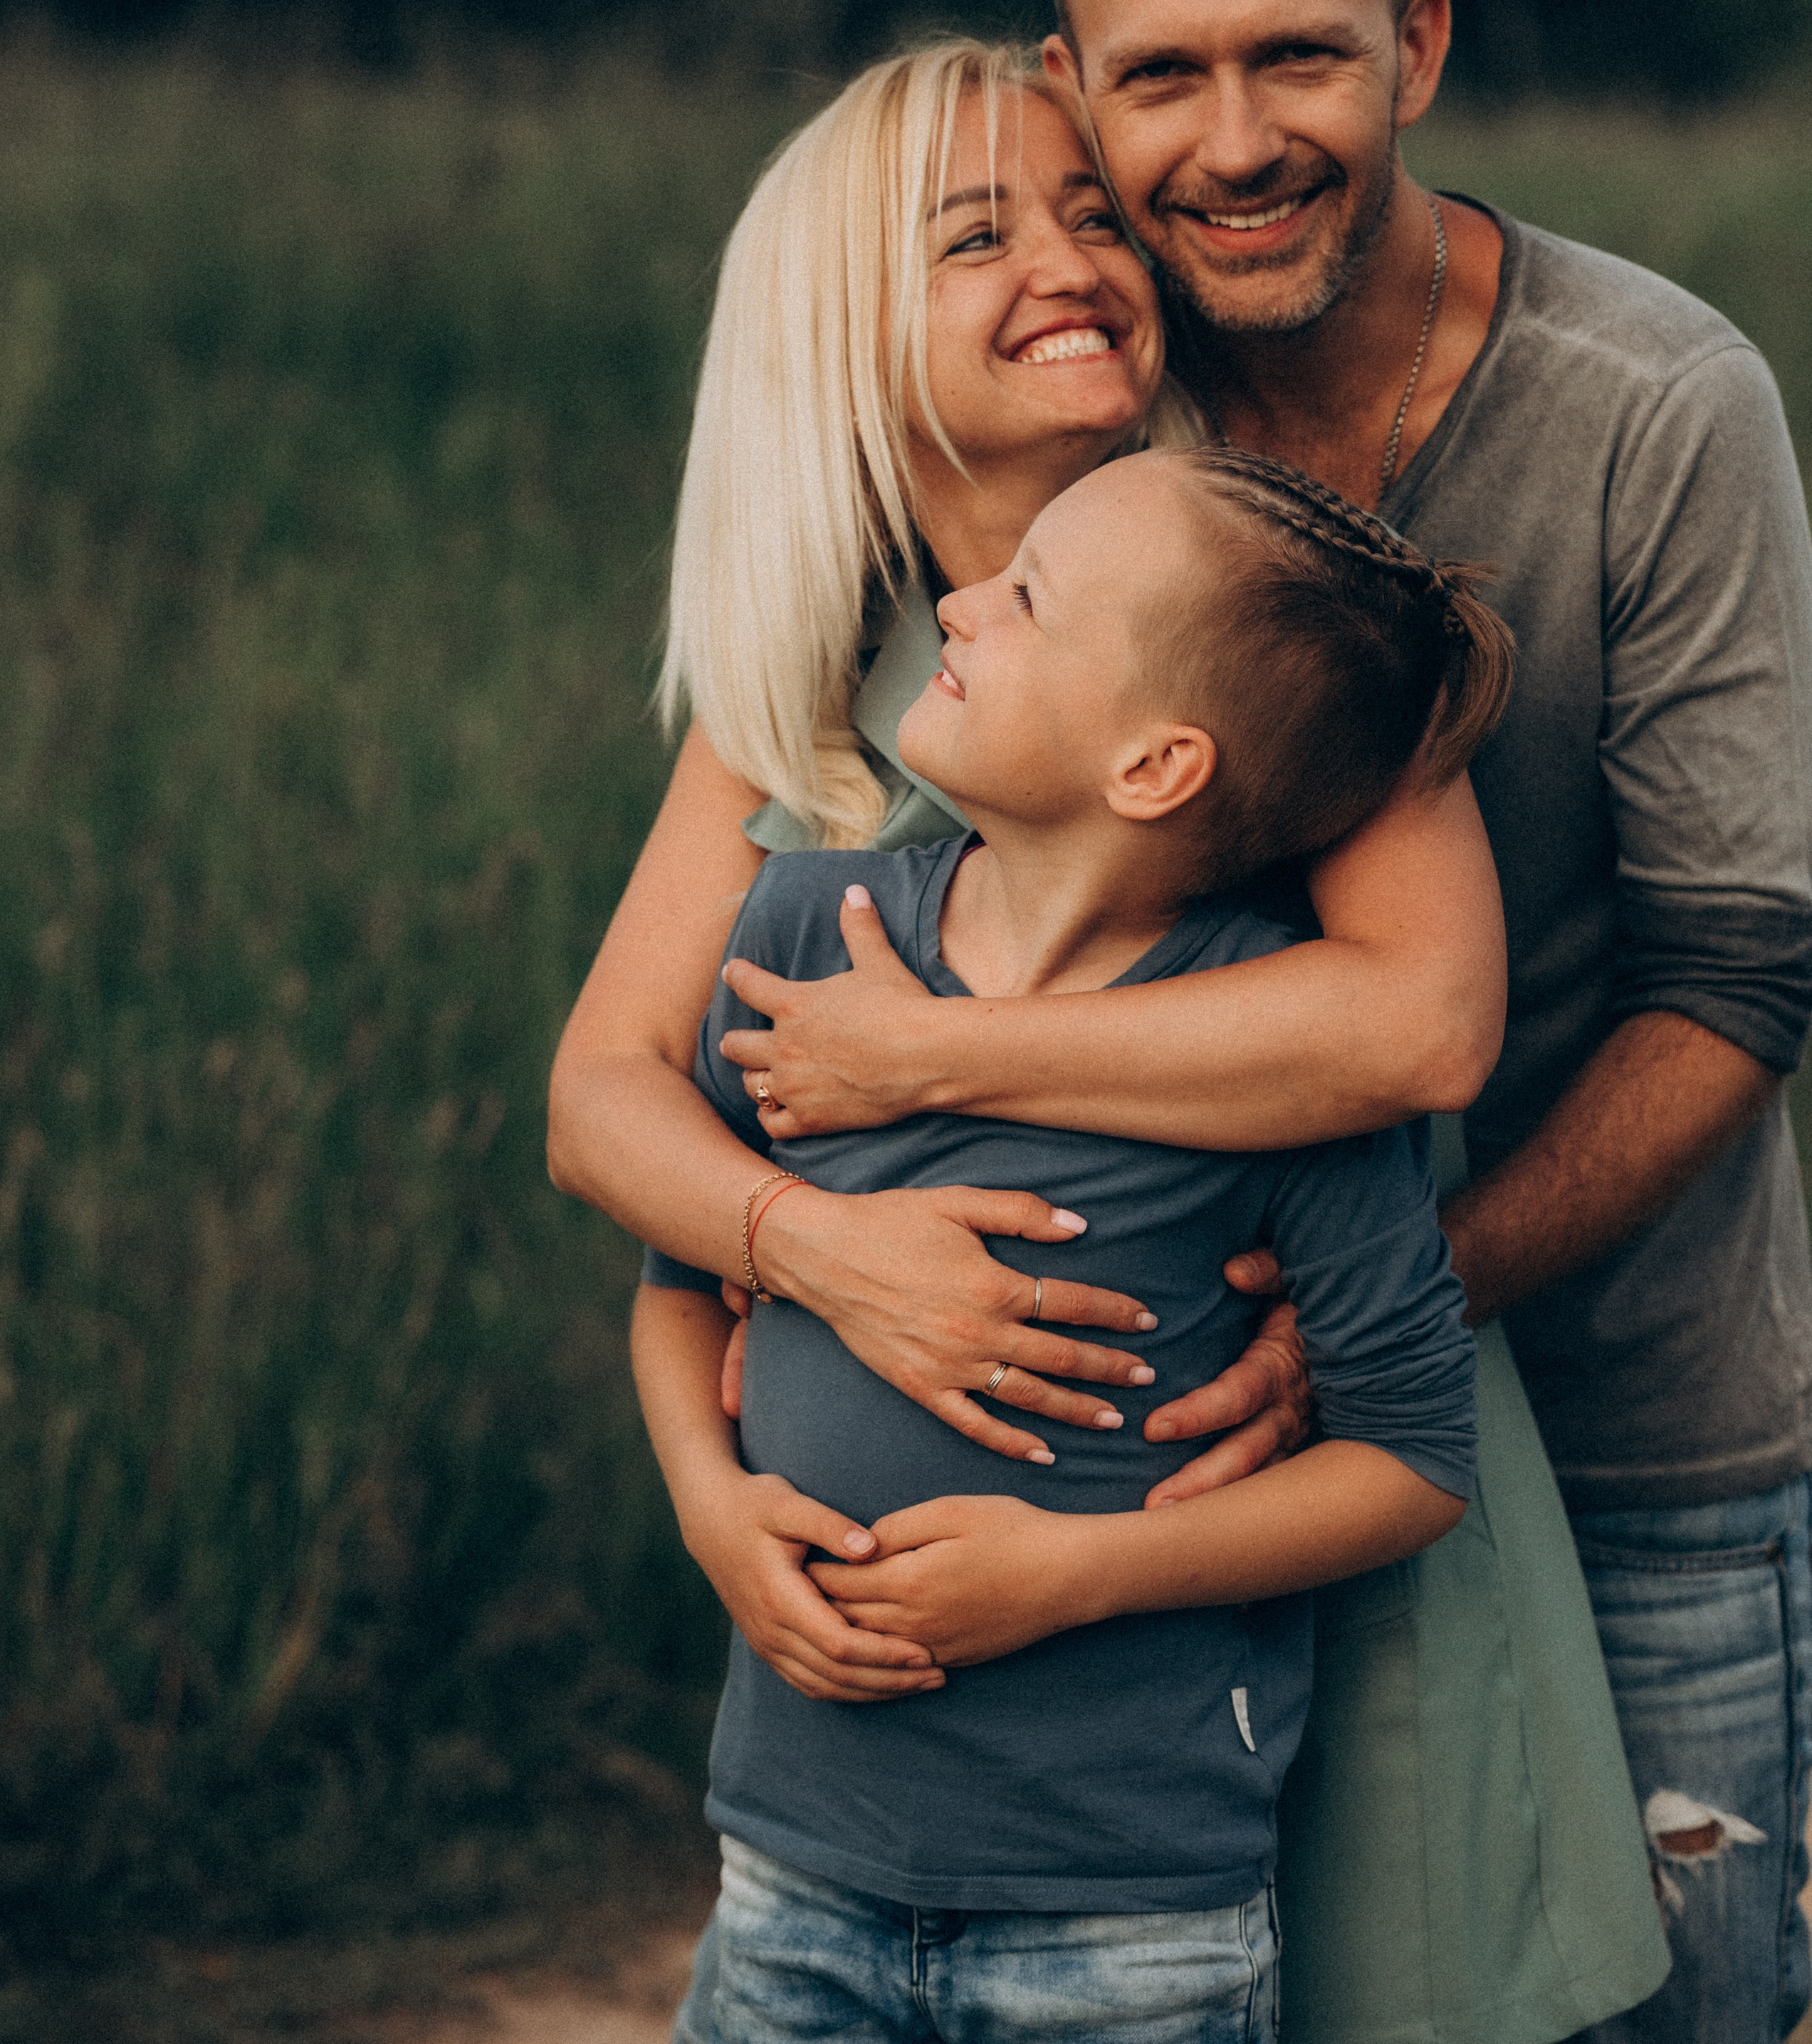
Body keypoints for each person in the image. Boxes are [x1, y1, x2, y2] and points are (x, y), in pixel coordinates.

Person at [735, 0, 1812, 2043]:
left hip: (1624, 1434)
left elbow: (1737, 973)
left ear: (1416, 46)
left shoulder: (1659, 406)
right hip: (1179, 1481)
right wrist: (804, 1242)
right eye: (1162, 78)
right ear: (1077, 98)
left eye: (1301, 59)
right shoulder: (1085, 439)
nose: (1238, 140)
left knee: (1664, 2011)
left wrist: (1360, 1330)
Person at [550, 40, 1667, 2042]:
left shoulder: (1249, 611)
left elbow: (1422, 1025)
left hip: (1228, 1543)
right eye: (974, 233)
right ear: (845, 331)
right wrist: (805, 1262)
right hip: (873, 1763)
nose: (1067, 258)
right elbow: (604, 1096)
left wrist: (926, 1067)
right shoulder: (823, 663)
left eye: (1090, 212)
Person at [634, 443, 1489, 2043]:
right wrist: (705, 1500)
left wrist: (1079, 1575)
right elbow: (681, 1285)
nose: (958, 602)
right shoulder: (804, 936)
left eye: (1025, 597)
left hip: (1125, 1931)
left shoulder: (1273, 1065)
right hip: (791, 1872)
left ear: (1154, 767)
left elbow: (1414, 1461)